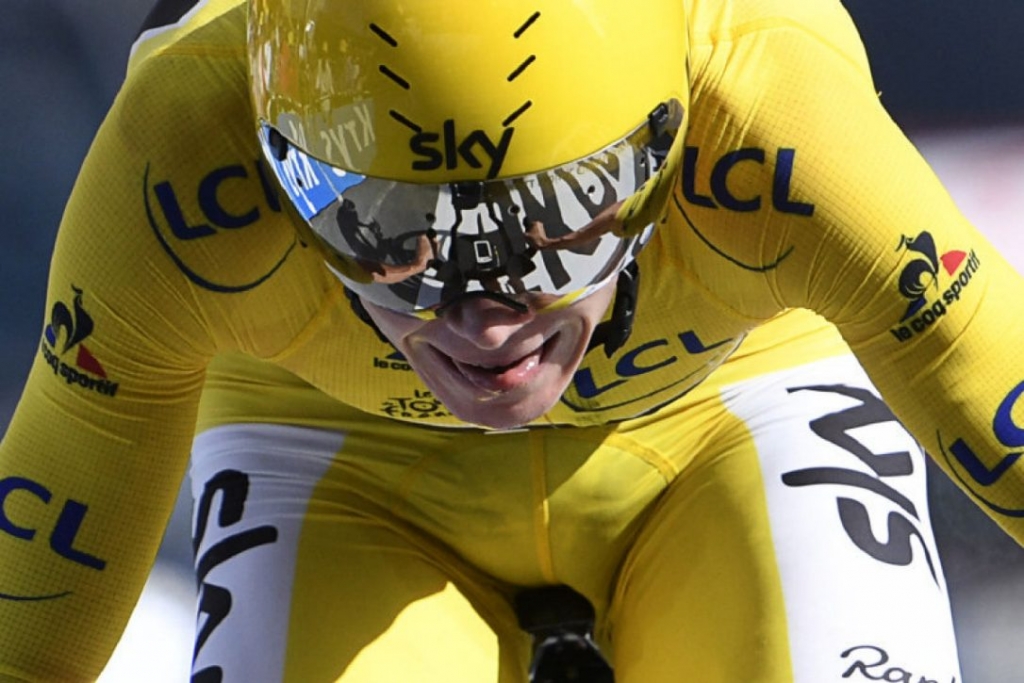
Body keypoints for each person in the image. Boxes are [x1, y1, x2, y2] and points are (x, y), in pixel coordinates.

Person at [1, 0, 1021, 680]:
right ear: (274, 165)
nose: (486, 319)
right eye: (387, 232)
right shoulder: (175, 145)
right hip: (329, 450)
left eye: (563, 223)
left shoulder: (768, 106)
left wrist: (381, 253)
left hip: (726, 413)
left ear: (674, 148)